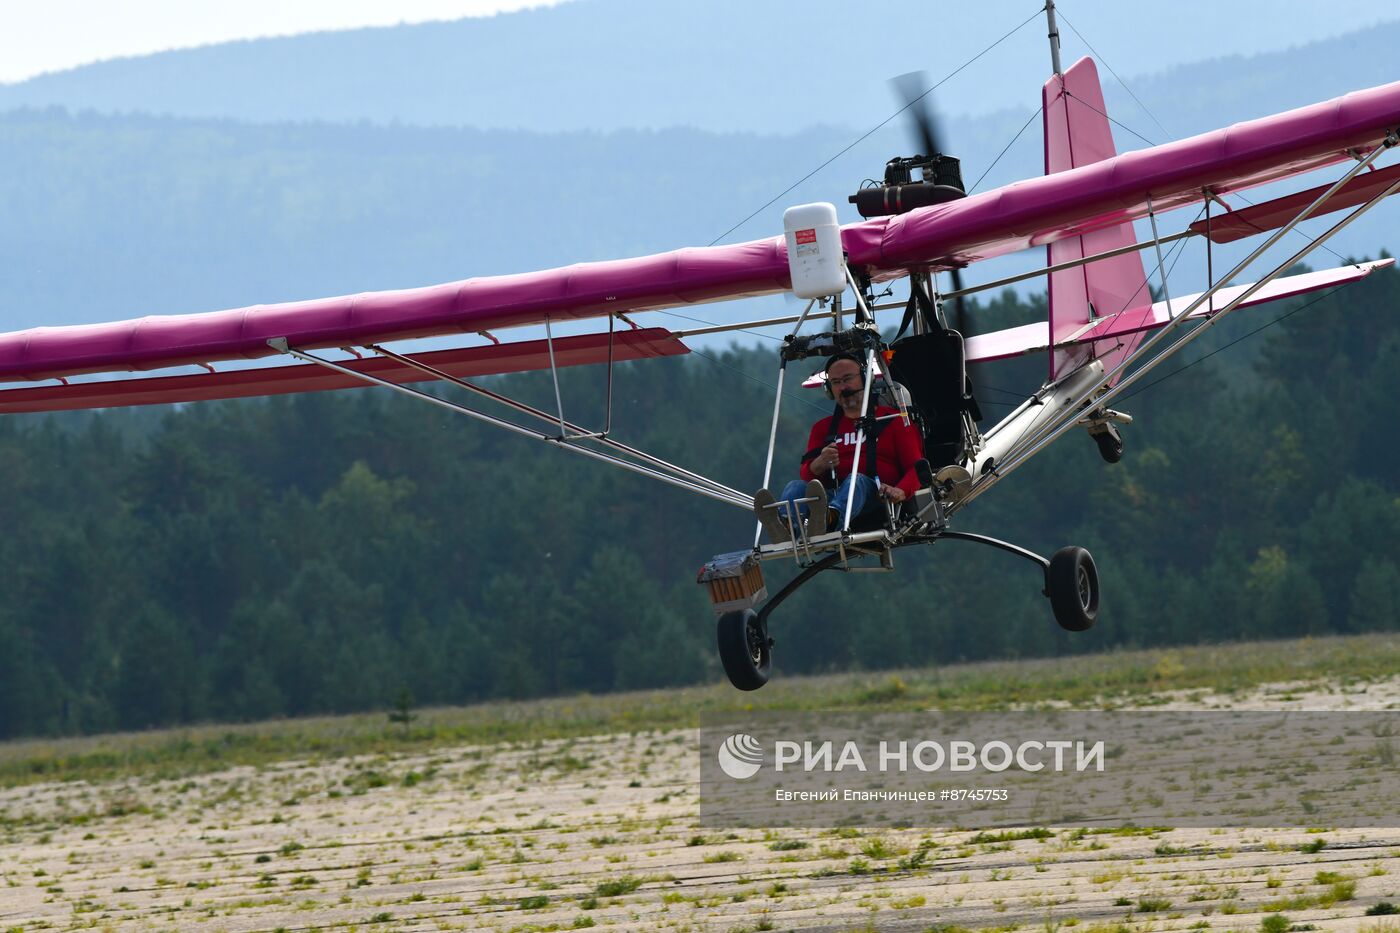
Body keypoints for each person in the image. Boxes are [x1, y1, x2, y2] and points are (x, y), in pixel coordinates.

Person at [753, 351, 924, 542]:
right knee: (795, 487)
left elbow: (916, 469)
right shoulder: (823, 429)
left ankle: (831, 519)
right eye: (836, 382)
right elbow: (807, 475)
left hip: (878, 499)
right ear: (829, 389)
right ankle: (788, 527)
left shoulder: (893, 420)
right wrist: (820, 463)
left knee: (855, 481)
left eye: (848, 379)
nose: (843, 387)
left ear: (866, 380)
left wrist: (900, 491)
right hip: (834, 493)